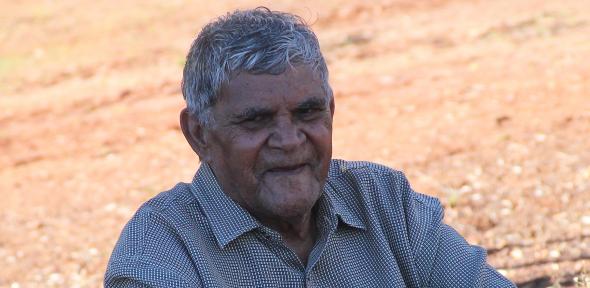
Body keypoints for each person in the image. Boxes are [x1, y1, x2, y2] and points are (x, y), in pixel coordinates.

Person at [105, 7, 515, 287]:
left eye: (307, 113)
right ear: (198, 134)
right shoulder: (159, 253)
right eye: (256, 120)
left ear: (331, 112)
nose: (289, 141)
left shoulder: (385, 203)